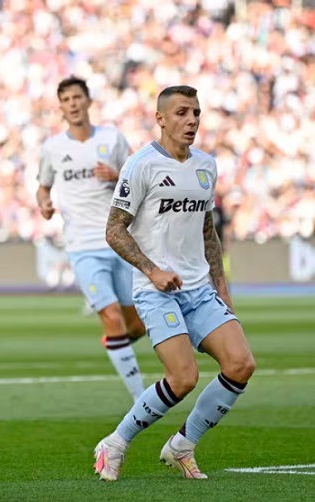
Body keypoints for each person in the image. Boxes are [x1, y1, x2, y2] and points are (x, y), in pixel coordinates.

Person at [94, 85, 256, 480]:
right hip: (156, 291)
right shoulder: (141, 165)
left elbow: (207, 232)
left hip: (200, 289)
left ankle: (182, 445)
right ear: (161, 119)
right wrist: (152, 270)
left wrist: (222, 288)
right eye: (182, 112)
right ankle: (115, 443)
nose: (192, 120)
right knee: (183, 378)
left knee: (241, 365)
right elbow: (114, 230)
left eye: (196, 112)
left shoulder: (206, 166)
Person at [36, 76, 146, 402]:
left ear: (88, 101)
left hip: (120, 241)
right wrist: (44, 203)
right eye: (66, 99)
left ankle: (116, 342)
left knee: (136, 326)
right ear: (61, 107)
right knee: (111, 316)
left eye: (77, 97)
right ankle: (141, 399)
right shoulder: (53, 148)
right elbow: (43, 187)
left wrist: (116, 176)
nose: (72, 103)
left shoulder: (112, 138)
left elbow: (139, 180)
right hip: (82, 246)